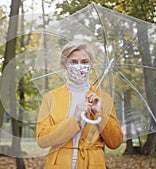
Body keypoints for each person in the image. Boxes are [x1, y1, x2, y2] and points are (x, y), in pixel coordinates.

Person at [36, 40, 123, 169]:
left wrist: (99, 115)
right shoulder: (51, 98)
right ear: (65, 64)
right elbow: (42, 140)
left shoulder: (103, 98)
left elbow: (115, 142)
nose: (79, 66)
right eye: (73, 62)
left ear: (91, 64)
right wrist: (74, 120)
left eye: (84, 62)